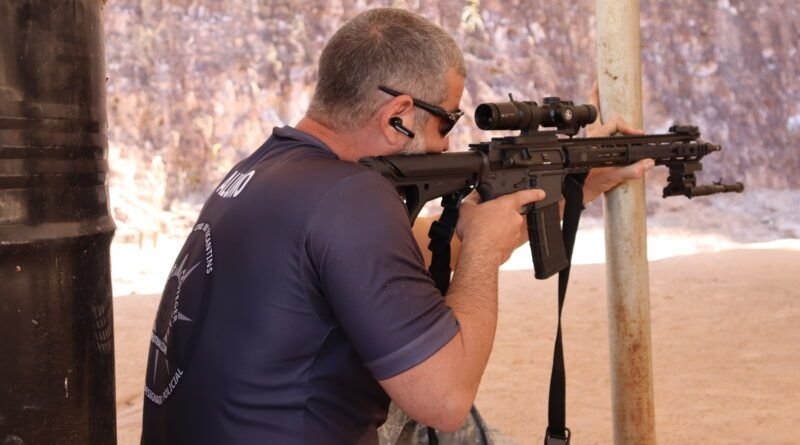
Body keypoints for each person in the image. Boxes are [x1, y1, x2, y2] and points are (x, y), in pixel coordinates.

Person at [140, 7, 651, 445]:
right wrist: (482, 253)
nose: (447, 144)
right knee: (453, 419)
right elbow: (445, 399)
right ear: (398, 117)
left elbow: (403, 259)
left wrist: (576, 187)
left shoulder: (266, 170)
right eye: (446, 121)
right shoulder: (352, 197)